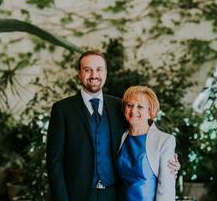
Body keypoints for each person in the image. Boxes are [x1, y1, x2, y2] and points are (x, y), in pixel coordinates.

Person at [46, 51, 179, 201]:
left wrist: (167, 163)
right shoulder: (62, 109)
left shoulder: (119, 106)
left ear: (106, 72)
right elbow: (54, 161)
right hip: (77, 194)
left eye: (99, 69)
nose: (93, 75)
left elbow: (142, 135)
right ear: (79, 73)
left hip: (114, 195)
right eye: (87, 69)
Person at [117, 86, 176, 201]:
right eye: (129, 105)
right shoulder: (120, 137)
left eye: (140, 106)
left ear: (150, 112)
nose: (133, 110)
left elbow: (166, 188)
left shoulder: (164, 141)